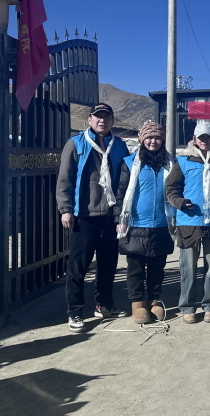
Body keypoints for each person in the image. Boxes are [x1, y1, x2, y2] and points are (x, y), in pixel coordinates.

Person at [56, 103, 130, 333]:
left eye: (107, 117)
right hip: (84, 215)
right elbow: (65, 178)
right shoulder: (76, 144)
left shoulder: (120, 146)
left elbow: (127, 179)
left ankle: (104, 304)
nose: (102, 121)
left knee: (108, 264)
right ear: (89, 120)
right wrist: (66, 209)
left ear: (112, 121)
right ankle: (75, 311)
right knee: (78, 266)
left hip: (111, 216)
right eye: (98, 117)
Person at [115, 121, 175, 324]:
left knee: (158, 267)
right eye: (149, 137)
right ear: (142, 139)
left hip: (162, 223)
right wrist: (119, 218)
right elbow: (121, 193)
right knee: (136, 268)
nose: (153, 141)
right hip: (136, 223)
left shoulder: (171, 163)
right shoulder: (129, 163)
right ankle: (138, 303)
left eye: (157, 137)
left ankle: (154, 300)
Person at [166, 122, 210, 324]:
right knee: (188, 266)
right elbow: (171, 188)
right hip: (188, 221)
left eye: (208, 137)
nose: (204, 140)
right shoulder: (183, 161)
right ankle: (188, 306)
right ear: (194, 139)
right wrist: (180, 202)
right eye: (201, 137)